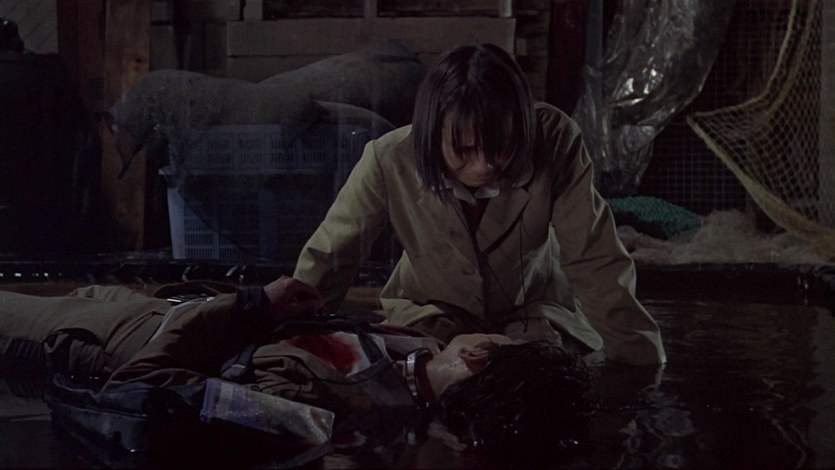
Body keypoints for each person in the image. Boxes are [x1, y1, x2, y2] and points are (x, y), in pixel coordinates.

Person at [293, 43, 666, 365]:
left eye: (500, 146)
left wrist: (641, 362)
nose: (484, 166)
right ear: (432, 134)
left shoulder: (553, 141)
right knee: (426, 368)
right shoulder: (389, 158)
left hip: (534, 308)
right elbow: (332, 254)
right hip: (429, 310)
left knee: (539, 366)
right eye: (465, 149)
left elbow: (593, 256)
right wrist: (293, 338)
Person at [0, 276, 592, 457]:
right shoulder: (413, 355)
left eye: (499, 337)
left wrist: (251, 306)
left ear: (477, 355)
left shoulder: (317, 414)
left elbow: (142, 391)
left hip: (101, 343)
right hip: (142, 310)